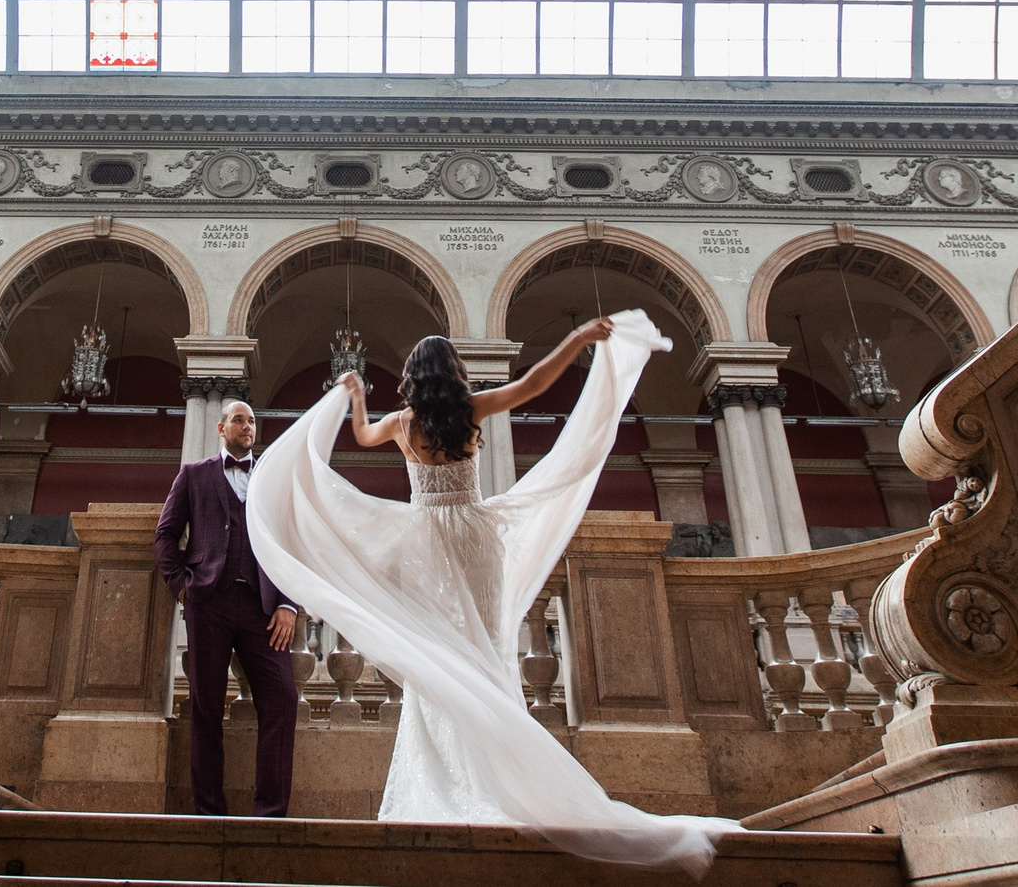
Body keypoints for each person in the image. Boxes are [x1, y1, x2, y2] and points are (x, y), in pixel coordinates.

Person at [247, 311, 741, 875]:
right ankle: (502, 773)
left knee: (438, 655)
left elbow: (359, 436)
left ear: (412, 376)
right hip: (475, 537)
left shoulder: (402, 423)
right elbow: (532, 386)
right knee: (483, 650)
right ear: (452, 372)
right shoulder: (470, 409)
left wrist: (355, 396)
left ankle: (449, 781)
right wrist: (577, 338)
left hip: (425, 542)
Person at [153, 399, 300, 817]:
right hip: (209, 603)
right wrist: (182, 587)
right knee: (205, 706)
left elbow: (291, 541)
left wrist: (289, 603)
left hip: (263, 608)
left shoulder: (272, 479)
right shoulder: (194, 475)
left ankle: (270, 812)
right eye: (239, 420)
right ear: (221, 428)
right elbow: (165, 536)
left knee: (283, 699)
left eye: (252, 421)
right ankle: (209, 811)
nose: (247, 426)